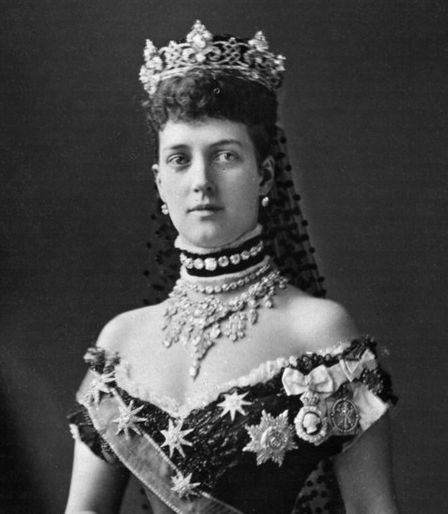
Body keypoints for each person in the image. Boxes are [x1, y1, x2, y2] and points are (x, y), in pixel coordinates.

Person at [65, 21, 399, 514]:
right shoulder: (120, 343)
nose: (201, 181)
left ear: (264, 173)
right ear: (160, 182)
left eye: (225, 156)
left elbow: (374, 509)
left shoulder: (318, 330)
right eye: (180, 160)